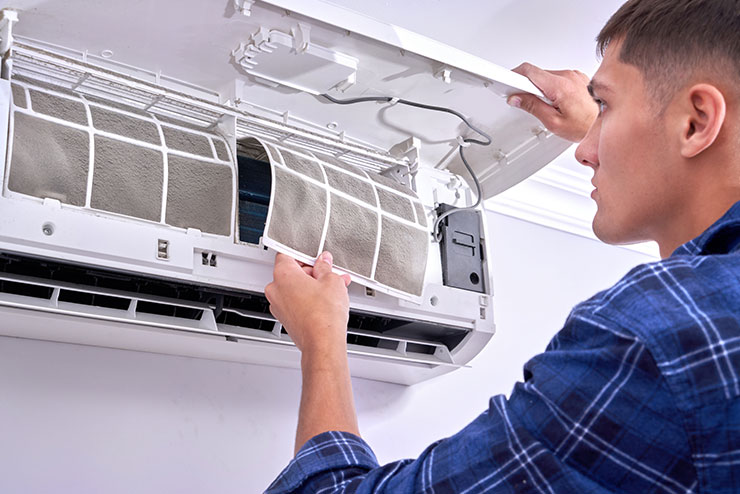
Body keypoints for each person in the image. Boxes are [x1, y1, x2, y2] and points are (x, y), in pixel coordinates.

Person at [264, 0, 740, 491]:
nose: (583, 151)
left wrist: (322, 339)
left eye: (607, 105)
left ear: (696, 121)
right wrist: (629, 126)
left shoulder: (652, 338)